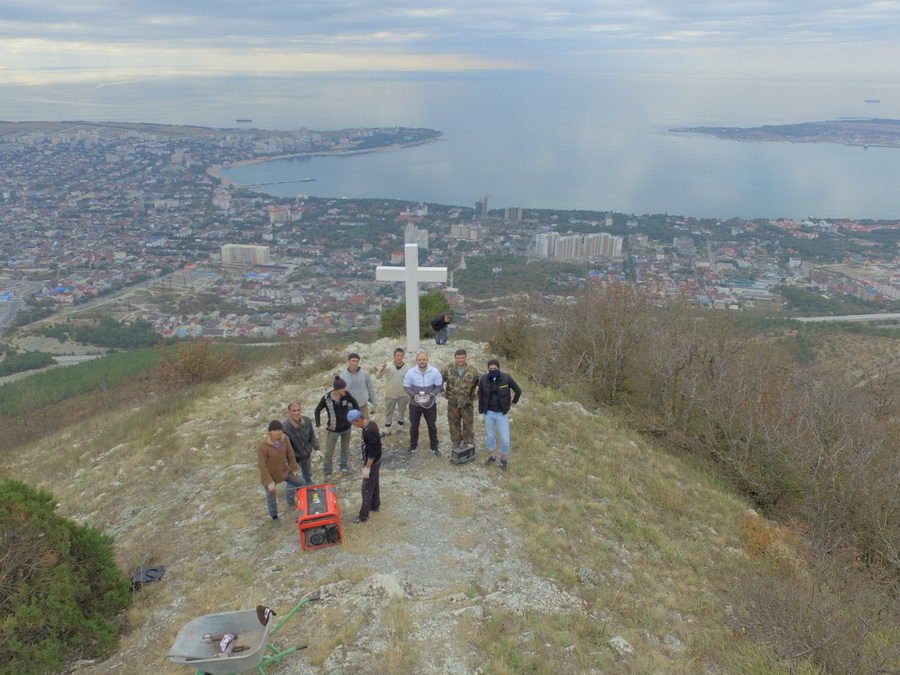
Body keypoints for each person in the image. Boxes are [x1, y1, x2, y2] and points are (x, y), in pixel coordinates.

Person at [477, 358, 522, 471]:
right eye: (490, 368)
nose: (493, 370)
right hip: (489, 413)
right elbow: (480, 396)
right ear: (488, 369)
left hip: (502, 413)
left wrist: (513, 403)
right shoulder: (483, 379)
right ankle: (492, 456)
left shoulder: (506, 378)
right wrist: (480, 412)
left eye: (495, 368)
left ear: (498, 368)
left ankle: (503, 459)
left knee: (505, 439)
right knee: (490, 436)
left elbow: (518, 391)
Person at [257, 420, 304, 524]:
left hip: (284, 470)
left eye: (279, 430)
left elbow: (290, 453)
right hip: (270, 476)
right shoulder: (263, 446)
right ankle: (274, 517)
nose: (277, 432)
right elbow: (262, 465)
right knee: (271, 496)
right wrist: (269, 482)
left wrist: (293, 468)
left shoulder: (285, 439)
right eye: (274, 430)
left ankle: (296, 504)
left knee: (301, 482)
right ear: (270, 432)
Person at [314, 377, 359, 481]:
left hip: (347, 427)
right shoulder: (326, 398)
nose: (345, 390)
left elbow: (355, 403)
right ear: (337, 389)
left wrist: (356, 415)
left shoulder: (346, 394)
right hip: (333, 429)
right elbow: (317, 410)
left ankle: (343, 467)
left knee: (345, 448)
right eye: (343, 388)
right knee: (329, 452)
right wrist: (318, 425)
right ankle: (327, 472)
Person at [402, 351, 443, 455]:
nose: (422, 361)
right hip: (415, 405)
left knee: (432, 425)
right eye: (420, 359)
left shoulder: (434, 371)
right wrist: (413, 395)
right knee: (414, 426)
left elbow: (439, 387)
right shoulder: (410, 372)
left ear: (427, 360)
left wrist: (431, 395)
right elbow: (406, 387)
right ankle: (413, 446)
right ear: (416, 360)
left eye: (424, 359)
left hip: (430, 404)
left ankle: (434, 446)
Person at [441, 348, 480, 451]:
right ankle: (456, 441)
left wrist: (477, 396)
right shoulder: (448, 369)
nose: (460, 360)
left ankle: (468, 442)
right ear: (455, 358)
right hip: (453, 402)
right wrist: (443, 393)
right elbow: (438, 380)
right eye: (458, 358)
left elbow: (482, 384)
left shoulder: (473, 371)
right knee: (453, 422)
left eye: (462, 358)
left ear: (466, 358)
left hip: (467, 403)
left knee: (468, 423)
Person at [348, 409, 382, 524]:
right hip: (376, 462)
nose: (353, 425)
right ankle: (375, 505)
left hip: (372, 463)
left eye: (353, 423)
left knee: (366, 488)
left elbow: (373, 451)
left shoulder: (369, 431)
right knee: (374, 483)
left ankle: (363, 516)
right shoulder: (370, 424)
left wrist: (367, 467)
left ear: (358, 420)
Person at [282, 401, 319, 486]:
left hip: (306, 455)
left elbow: (312, 435)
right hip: (294, 459)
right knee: (294, 480)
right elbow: (285, 447)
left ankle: (309, 489)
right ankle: (293, 495)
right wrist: (291, 462)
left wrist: (317, 448)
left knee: (307, 474)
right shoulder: (285, 427)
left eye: (298, 410)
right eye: (294, 411)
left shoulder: (307, 421)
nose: (296, 412)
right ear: (289, 412)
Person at [376, 347, 408, 438]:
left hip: (403, 394)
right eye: (397, 355)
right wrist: (381, 369)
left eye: (401, 356)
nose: (399, 357)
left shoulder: (407, 367)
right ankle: (387, 430)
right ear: (394, 356)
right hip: (390, 394)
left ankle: (400, 429)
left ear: (403, 356)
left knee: (401, 412)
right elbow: (377, 377)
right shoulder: (388, 365)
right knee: (389, 413)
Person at [341, 352, 377, 420]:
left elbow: (370, 388)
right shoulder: (343, 376)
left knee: (366, 423)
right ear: (348, 362)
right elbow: (341, 392)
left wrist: (374, 402)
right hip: (350, 407)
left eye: (357, 361)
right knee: (350, 424)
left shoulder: (365, 374)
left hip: (363, 406)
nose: (355, 363)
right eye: (353, 361)